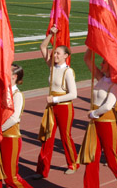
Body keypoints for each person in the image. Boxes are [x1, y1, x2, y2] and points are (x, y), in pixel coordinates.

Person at [82, 50, 117, 188]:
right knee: (91, 158)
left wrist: (94, 113)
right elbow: (87, 59)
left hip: (107, 122)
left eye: (104, 62)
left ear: (112, 66)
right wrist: (92, 47)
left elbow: (107, 106)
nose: (101, 64)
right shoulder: (101, 78)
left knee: (112, 160)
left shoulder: (116, 85)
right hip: (95, 123)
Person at [34, 27, 78, 179]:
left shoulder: (68, 72)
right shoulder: (52, 67)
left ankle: (73, 163)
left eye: (58, 52)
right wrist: (51, 35)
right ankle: (41, 170)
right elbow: (43, 47)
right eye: (55, 52)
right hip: (51, 107)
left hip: (64, 107)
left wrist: (55, 99)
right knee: (47, 137)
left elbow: (74, 94)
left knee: (65, 137)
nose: (55, 54)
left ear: (66, 56)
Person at [0, 64, 33, 188]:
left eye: (7, 71)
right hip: (0, 137)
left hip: (10, 138)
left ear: (14, 76)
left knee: (11, 177)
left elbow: (14, 118)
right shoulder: (3, 92)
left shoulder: (17, 95)